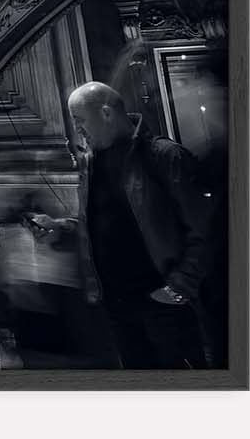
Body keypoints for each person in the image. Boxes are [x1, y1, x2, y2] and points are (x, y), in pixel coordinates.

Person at [28, 83, 220, 369]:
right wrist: (61, 227)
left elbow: (207, 228)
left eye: (79, 120)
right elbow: (105, 223)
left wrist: (180, 285)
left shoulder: (165, 156)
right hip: (116, 305)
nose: (77, 130)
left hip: (163, 305)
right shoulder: (92, 163)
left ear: (105, 113)